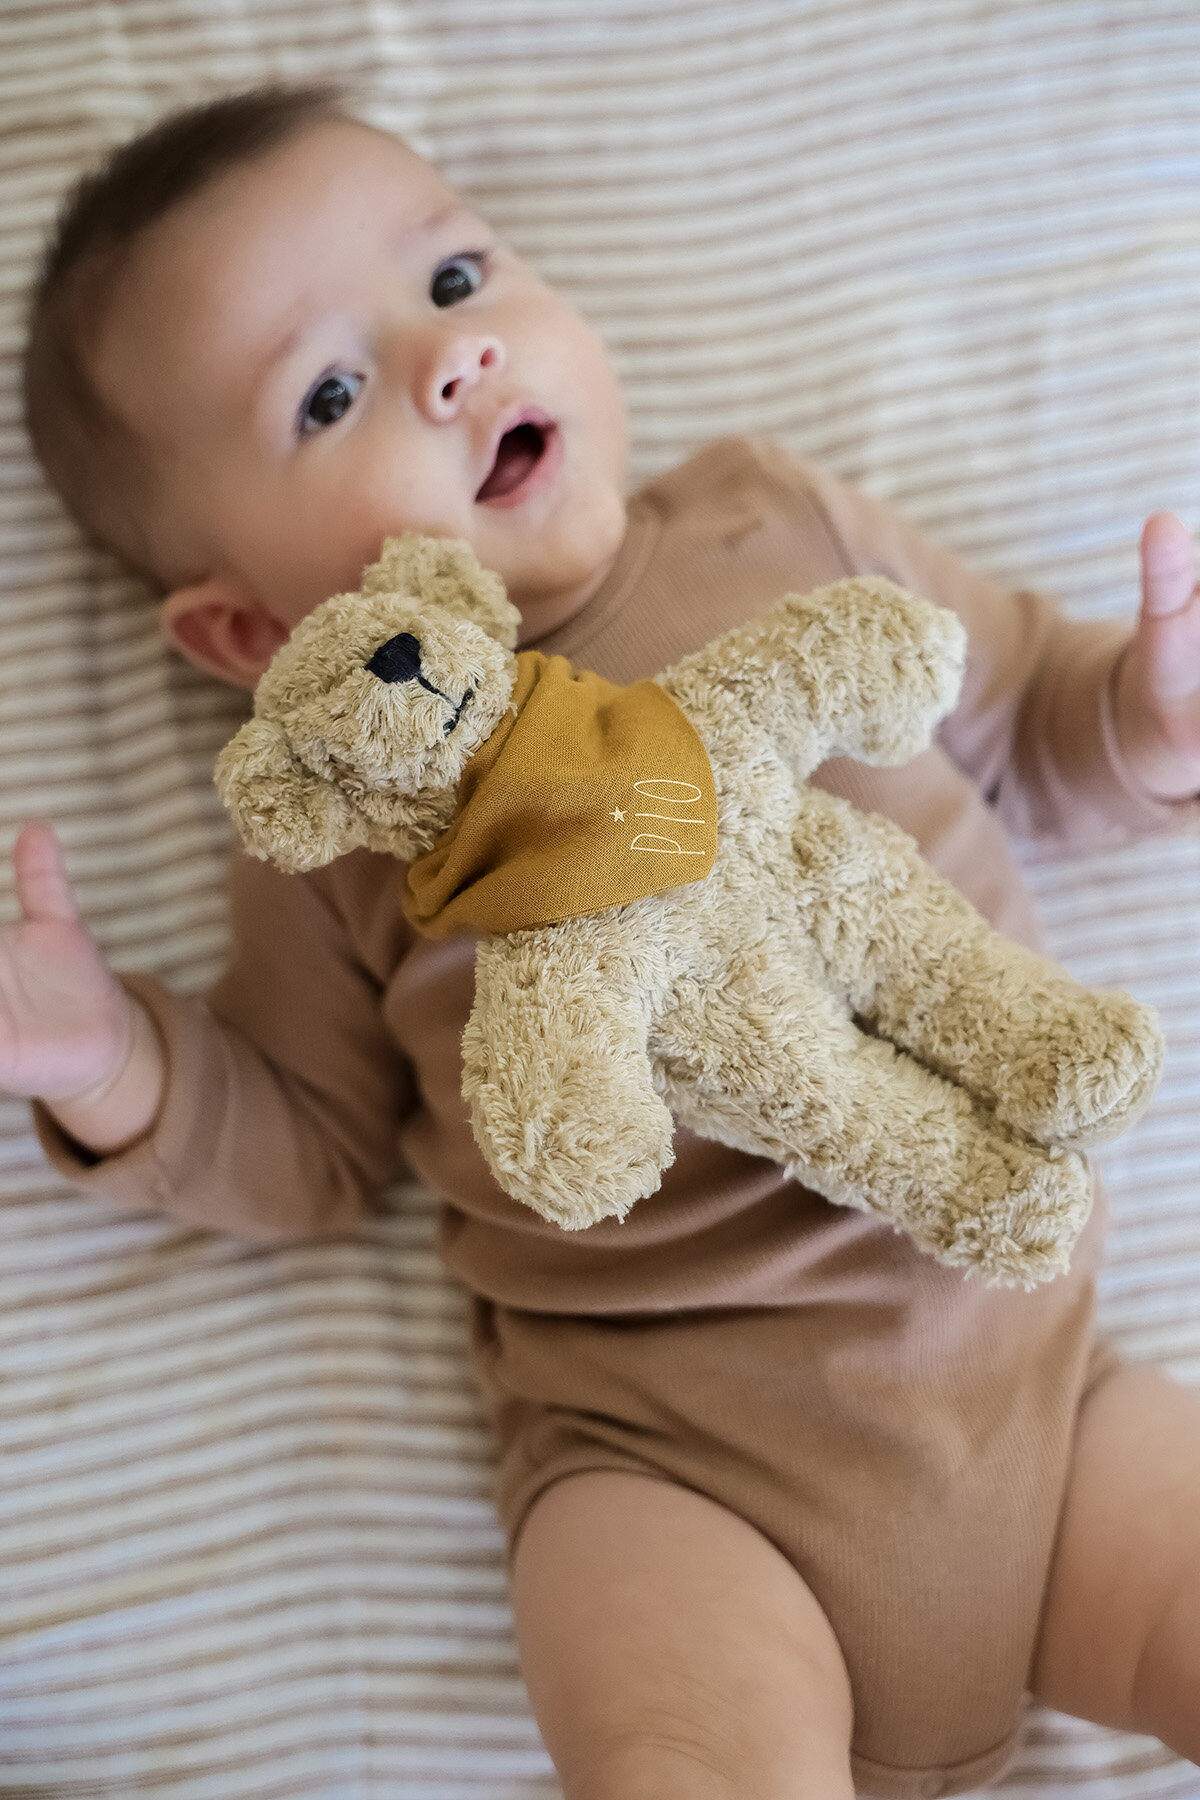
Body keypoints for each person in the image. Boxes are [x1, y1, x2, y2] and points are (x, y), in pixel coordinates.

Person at [12, 83, 1200, 1799]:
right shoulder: (347, 810)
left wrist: (1149, 719)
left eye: (456, 279)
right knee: (683, 1754)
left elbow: (1022, 722)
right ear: (254, 630)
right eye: (329, 393)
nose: (454, 363)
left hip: (1021, 1371)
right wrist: (110, 1056)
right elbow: (314, 1139)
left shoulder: (772, 524)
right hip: (663, 1459)